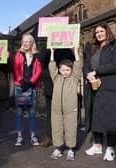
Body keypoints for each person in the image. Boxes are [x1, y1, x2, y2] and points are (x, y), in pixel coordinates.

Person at [85, 23, 116, 161]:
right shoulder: (94, 49)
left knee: (109, 118)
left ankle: (110, 148)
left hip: (109, 87)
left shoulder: (113, 46)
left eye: (101, 31)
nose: (99, 34)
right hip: (94, 86)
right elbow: (86, 64)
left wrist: (97, 71)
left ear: (107, 31)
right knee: (95, 116)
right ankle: (97, 146)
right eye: (96, 32)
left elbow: (114, 65)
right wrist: (87, 74)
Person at [49, 47, 82, 160]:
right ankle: (58, 148)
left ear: (71, 70)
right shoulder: (56, 78)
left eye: (68, 70)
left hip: (70, 110)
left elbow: (78, 65)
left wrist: (75, 51)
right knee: (57, 129)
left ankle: (71, 149)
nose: (65, 72)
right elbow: (51, 66)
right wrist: (52, 53)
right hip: (56, 110)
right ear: (59, 70)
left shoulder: (74, 78)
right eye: (63, 70)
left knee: (70, 129)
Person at [40, 49, 75, 147]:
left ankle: (67, 138)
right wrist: (50, 49)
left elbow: (72, 62)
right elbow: (42, 59)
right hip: (50, 85)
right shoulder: (49, 48)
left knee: (67, 114)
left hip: (65, 84)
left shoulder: (67, 49)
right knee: (50, 113)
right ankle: (49, 137)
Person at [13, 34, 42, 146]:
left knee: (32, 113)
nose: (25, 43)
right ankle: (19, 136)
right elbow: (16, 68)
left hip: (32, 87)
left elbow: (38, 71)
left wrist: (31, 82)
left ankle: (33, 136)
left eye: (28, 41)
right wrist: (20, 81)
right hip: (19, 86)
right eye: (23, 41)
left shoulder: (36, 56)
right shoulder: (18, 54)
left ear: (32, 43)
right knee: (19, 112)